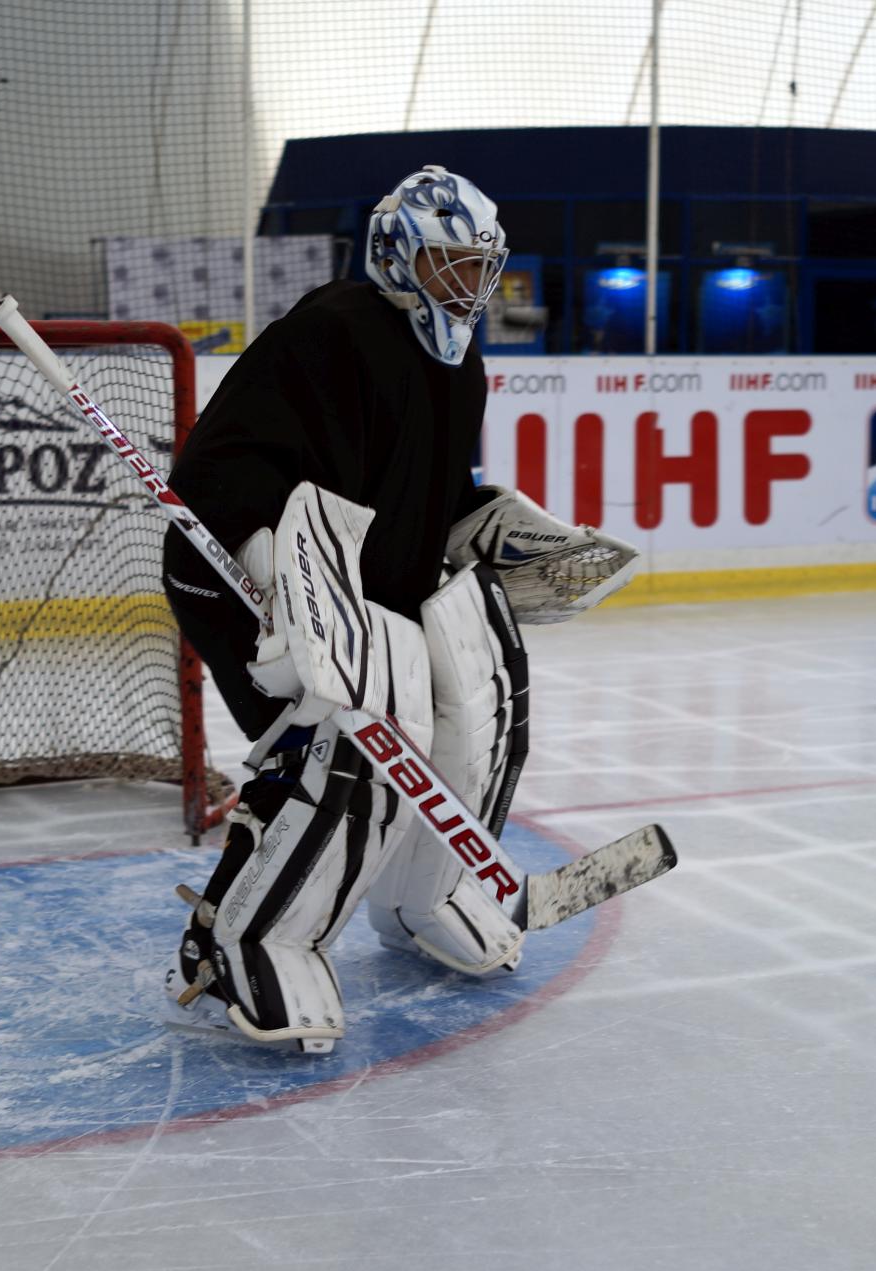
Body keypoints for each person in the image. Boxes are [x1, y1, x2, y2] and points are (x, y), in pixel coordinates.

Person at [159, 165, 635, 1053]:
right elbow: (222, 477)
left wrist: (499, 532)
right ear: (397, 255)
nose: (471, 285)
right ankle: (250, 938)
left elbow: (423, 491)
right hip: (246, 576)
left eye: (480, 266)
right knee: (346, 738)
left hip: (365, 585)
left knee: (480, 695)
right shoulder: (330, 331)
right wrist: (276, 577)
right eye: (451, 262)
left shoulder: (461, 364)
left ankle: (429, 896)